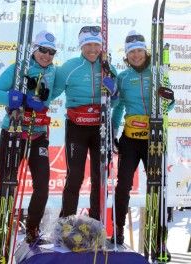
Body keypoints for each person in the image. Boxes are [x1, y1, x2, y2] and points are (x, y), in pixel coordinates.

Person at [0, 30, 59, 259]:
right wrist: (15, 98)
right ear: (34, 49)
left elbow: (56, 93)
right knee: (7, 185)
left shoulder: (54, 73)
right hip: (13, 131)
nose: (47, 56)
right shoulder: (18, 69)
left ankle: (32, 229)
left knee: (42, 185)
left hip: (38, 133)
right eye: (43, 50)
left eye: (51, 52)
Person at [110, 30, 174, 258]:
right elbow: (117, 107)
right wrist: (112, 132)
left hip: (155, 137)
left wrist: (168, 97)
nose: (136, 55)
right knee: (123, 184)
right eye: (131, 52)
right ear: (126, 55)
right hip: (130, 140)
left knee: (158, 187)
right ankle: (117, 232)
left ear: (145, 52)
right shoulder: (123, 78)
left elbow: (169, 105)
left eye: (139, 50)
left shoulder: (157, 73)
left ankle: (159, 236)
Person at [55, 26, 117, 221]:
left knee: (100, 178)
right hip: (77, 127)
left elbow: (114, 102)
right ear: (81, 46)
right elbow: (50, 94)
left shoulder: (108, 68)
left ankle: (96, 223)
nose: (92, 49)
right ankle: (66, 222)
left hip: (101, 127)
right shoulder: (69, 67)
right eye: (88, 44)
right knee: (75, 176)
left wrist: (113, 92)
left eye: (96, 44)